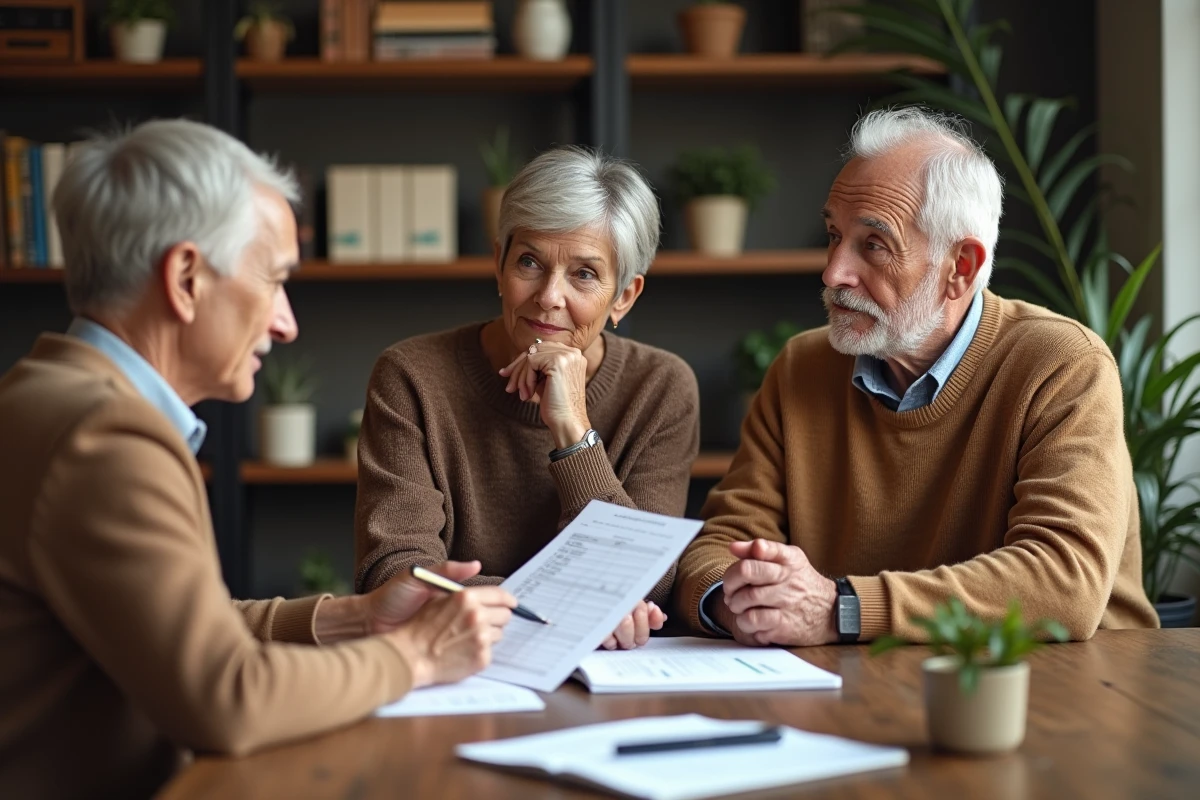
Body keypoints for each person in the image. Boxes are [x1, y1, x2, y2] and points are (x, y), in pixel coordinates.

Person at [0, 119, 516, 798]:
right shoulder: (105, 436)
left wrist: (358, 619)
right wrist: (416, 655)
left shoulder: (43, 395)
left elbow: (177, 630)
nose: (287, 322)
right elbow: (227, 695)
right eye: (273, 281)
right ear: (186, 278)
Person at [675, 107, 1158, 647]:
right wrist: (736, 599)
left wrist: (843, 609)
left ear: (961, 268)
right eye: (834, 235)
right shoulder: (801, 368)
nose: (833, 272)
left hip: (1062, 691)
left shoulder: (1062, 364)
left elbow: (1062, 581)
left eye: (873, 245)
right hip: (854, 687)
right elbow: (720, 544)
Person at [355, 147, 700, 650]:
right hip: (453, 668)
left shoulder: (662, 387)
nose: (549, 296)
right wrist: (577, 608)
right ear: (498, 264)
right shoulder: (410, 376)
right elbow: (396, 579)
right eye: (530, 262)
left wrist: (573, 432)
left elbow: (647, 586)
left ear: (624, 295)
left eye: (584, 274)